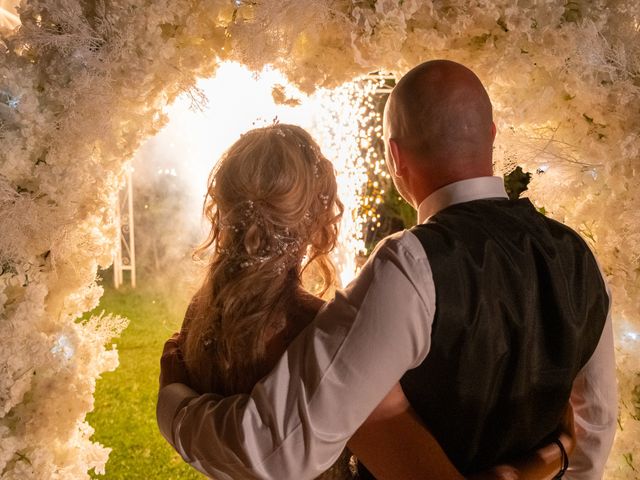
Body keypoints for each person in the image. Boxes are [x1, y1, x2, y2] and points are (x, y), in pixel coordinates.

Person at [157, 60, 617, 479]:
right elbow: (594, 434)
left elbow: (278, 451)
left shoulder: (410, 266)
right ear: (492, 133)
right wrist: (552, 456)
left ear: (395, 157)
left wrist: (174, 405)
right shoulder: (579, 256)